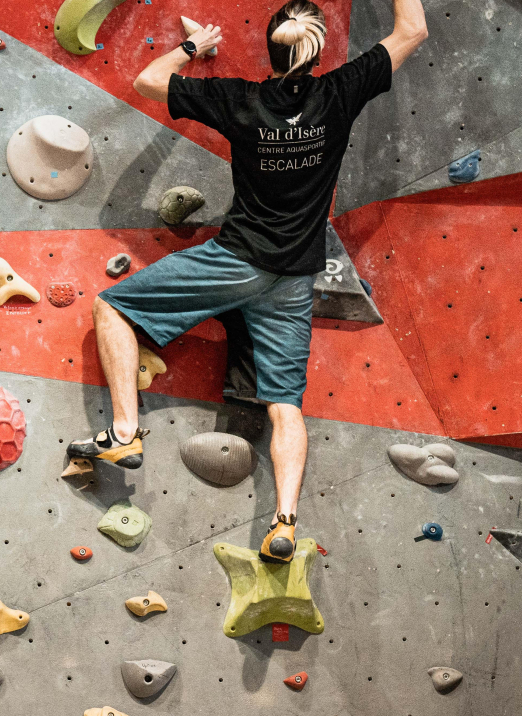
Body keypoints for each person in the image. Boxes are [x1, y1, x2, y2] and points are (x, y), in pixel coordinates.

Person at [67, 0, 429, 562]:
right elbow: (414, 29)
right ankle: (284, 522)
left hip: (235, 261)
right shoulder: (340, 92)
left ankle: (124, 433)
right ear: (316, 51)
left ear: (269, 46)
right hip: (293, 278)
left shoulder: (238, 100)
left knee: (113, 309)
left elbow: (147, 81)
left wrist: (194, 48)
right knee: (285, 403)